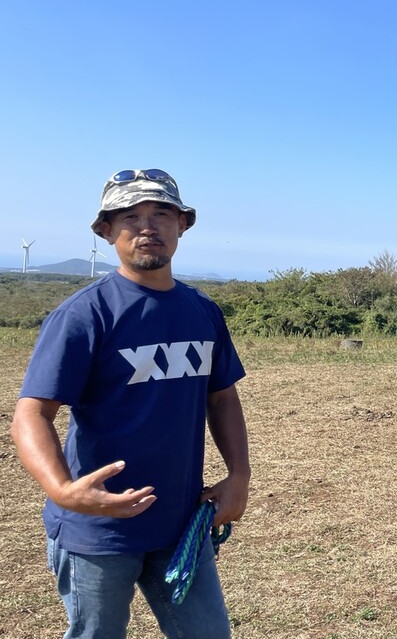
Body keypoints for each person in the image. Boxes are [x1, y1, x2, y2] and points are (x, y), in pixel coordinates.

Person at [10, 168, 250, 639]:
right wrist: (63, 490)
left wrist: (239, 476)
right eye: (130, 216)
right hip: (99, 528)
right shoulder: (84, 314)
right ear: (106, 231)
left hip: (182, 520)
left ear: (182, 225)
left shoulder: (202, 310)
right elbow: (31, 413)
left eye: (161, 213)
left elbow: (221, 397)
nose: (147, 226)